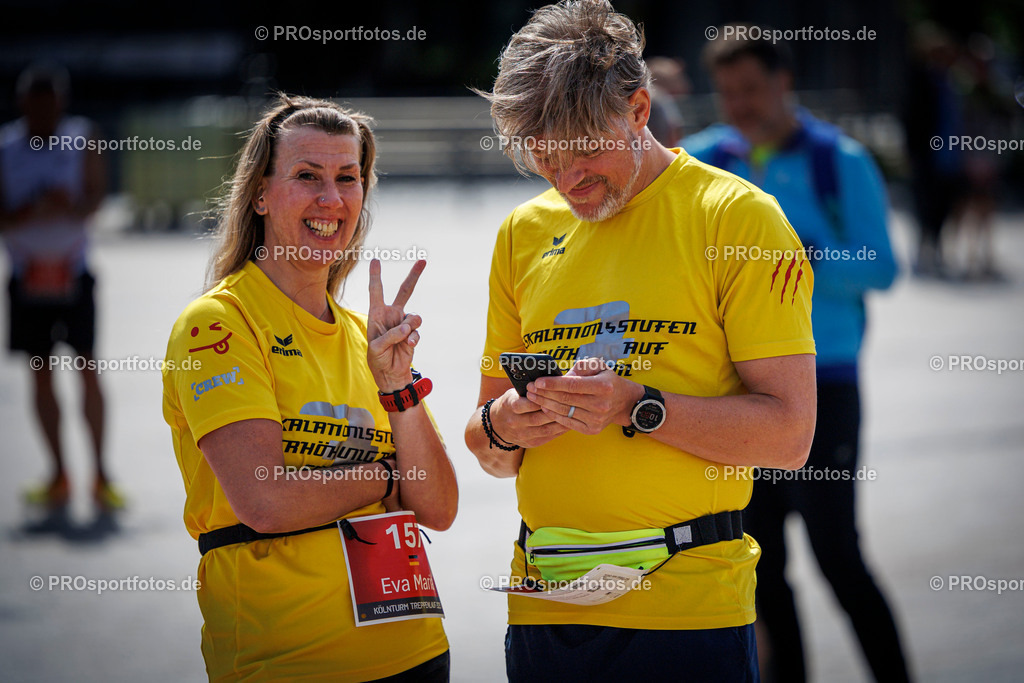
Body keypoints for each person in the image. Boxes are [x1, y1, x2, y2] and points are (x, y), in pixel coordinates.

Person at [464, 2, 816, 680]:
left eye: (585, 149)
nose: (568, 179)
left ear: (639, 109)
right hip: (543, 605)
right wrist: (507, 425)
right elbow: (486, 447)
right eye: (544, 155)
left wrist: (635, 405)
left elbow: (789, 436)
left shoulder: (736, 216)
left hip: (687, 608)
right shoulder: (521, 234)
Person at [161, 95, 458, 682]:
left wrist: (398, 388)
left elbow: (439, 507)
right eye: (306, 176)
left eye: (348, 178)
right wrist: (385, 477)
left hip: (415, 651)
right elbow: (266, 501)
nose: (332, 199)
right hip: (289, 662)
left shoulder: (362, 336)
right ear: (260, 194)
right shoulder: (219, 324)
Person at [683, 26, 909, 682]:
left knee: (839, 554)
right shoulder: (700, 162)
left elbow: (884, 267)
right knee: (761, 562)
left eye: (752, 89)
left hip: (825, 382)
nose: (740, 105)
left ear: (785, 82)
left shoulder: (838, 159)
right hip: (733, 390)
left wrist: (802, 258)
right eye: (727, 92)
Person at [0, 63, 123, 511]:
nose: (44, 114)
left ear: (61, 104)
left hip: (72, 273)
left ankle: (101, 474)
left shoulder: (82, 138)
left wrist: (69, 204)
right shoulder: (6, 146)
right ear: (22, 105)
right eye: (35, 106)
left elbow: (95, 199)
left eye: (50, 106)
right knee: (40, 372)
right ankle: (58, 473)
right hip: (25, 275)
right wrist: (31, 207)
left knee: (87, 369)